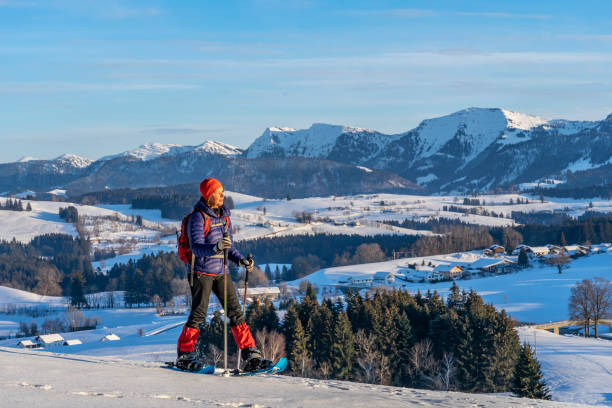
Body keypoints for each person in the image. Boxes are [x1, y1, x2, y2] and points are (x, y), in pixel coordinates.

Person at [175, 178, 268, 372]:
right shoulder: (198, 217)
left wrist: (241, 261)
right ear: (209, 196)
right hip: (201, 272)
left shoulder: (224, 216)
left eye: (222, 192)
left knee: (235, 312)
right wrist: (216, 247)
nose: (223, 196)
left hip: (221, 271)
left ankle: (251, 354)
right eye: (218, 193)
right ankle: (184, 355)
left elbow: (230, 247)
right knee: (199, 314)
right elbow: (197, 248)